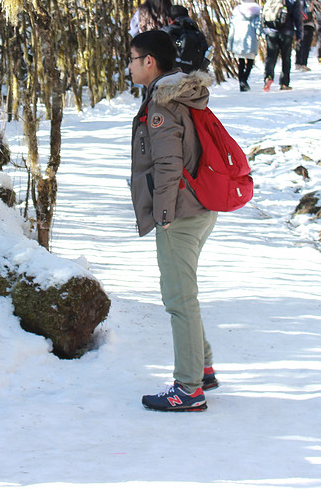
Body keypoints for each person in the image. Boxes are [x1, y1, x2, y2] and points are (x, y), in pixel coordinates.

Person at [127, 30, 219, 412]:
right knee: (185, 294)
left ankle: (188, 389)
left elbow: (168, 164)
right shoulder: (180, 94)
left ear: (150, 62)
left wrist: (163, 216)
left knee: (179, 299)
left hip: (179, 213)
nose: (129, 66)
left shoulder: (163, 105)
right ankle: (202, 367)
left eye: (132, 58)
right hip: (199, 206)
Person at [262, 0, 303, 91]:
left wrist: (264, 30)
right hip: (287, 32)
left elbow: (264, 13)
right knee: (286, 58)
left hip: (271, 32)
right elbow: (298, 19)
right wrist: (299, 35)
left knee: (271, 57)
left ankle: (268, 77)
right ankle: (284, 83)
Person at [227, 0, 261, 91]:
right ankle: (244, 80)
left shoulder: (236, 13)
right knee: (250, 62)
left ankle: (241, 82)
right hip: (250, 39)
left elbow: (232, 29)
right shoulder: (256, 13)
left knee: (241, 62)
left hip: (238, 41)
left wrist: (230, 44)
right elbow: (258, 27)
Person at [163, 4, 211, 73]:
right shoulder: (199, 34)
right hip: (194, 80)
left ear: (169, 19)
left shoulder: (165, 33)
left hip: (168, 80)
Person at [294, 0, 318, 72]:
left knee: (299, 43)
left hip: (297, 25)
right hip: (308, 24)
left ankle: (297, 63)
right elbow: (318, 9)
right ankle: (304, 64)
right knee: (306, 45)